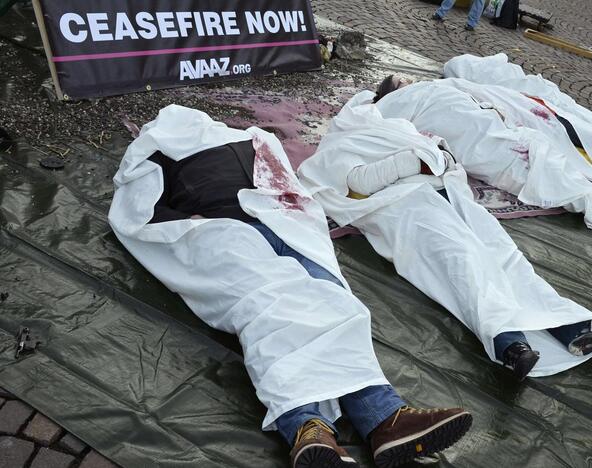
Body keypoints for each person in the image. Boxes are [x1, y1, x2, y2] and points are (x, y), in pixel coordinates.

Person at [108, 105, 472, 468]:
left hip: (284, 222)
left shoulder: (250, 137)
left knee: (333, 299)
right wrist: (191, 224)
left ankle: (384, 418)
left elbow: (286, 181)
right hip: (222, 231)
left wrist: (296, 216)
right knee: (271, 304)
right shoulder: (152, 153)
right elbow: (136, 211)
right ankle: (309, 425)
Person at [298, 92, 592, 382]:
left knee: (506, 259)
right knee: (463, 262)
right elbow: (359, 184)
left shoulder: (401, 130)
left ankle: (574, 326)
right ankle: (509, 344)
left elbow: (443, 158)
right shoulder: (338, 145)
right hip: (405, 206)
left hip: (448, 196)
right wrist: (414, 162)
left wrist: (436, 158)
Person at [372, 75, 592, 236]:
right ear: (393, 91)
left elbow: (471, 99)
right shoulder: (400, 102)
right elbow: (390, 124)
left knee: (546, 155)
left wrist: (492, 111)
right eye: (400, 81)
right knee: (533, 170)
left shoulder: (433, 86)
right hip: (481, 143)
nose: (408, 79)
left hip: (493, 127)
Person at [444, 53, 592, 154]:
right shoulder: (464, 70)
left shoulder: (472, 70)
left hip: (541, 91)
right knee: (575, 123)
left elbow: (500, 60)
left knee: (579, 113)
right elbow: (500, 59)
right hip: (534, 96)